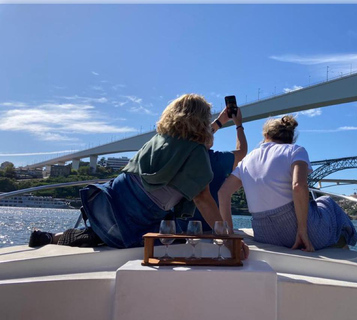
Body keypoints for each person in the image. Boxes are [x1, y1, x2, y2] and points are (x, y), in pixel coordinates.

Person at [29, 94, 248, 257]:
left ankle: (50, 237)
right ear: (201, 120)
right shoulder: (197, 153)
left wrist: (219, 123)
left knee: (100, 232)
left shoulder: (158, 141)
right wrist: (230, 242)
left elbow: (191, 138)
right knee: (183, 233)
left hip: (106, 204)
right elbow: (203, 199)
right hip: (133, 222)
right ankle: (69, 236)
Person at [218, 115, 357, 251]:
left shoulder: (246, 161)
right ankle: (342, 245)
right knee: (327, 203)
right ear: (290, 139)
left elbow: (223, 193)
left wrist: (230, 234)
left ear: (266, 135)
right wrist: (302, 230)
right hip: (299, 232)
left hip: (264, 234)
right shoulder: (296, 150)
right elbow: (298, 186)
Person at [177, 105, 247, 233]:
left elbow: (197, 138)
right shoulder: (216, 159)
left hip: (179, 228)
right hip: (209, 228)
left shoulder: (180, 156)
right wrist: (238, 125)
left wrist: (219, 122)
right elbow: (242, 152)